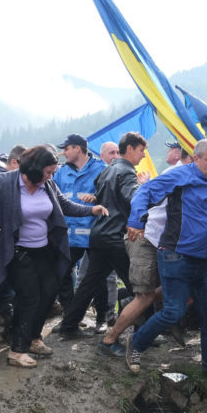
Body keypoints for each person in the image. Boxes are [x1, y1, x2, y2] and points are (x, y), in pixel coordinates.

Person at [0, 145, 106, 367]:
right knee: (29, 296)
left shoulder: (47, 185)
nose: (51, 176)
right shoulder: (5, 182)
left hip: (43, 249)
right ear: (34, 168)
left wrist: (91, 210)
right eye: (48, 172)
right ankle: (17, 351)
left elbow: (63, 205)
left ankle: (33, 338)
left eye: (53, 172)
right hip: (16, 251)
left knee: (48, 292)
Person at [124, 139, 207, 382]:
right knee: (173, 311)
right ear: (195, 159)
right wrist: (136, 220)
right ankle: (136, 343)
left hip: (203, 259)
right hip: (174, 254)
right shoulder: (180, 176)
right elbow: (144, 191)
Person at [56, 132, 147, 339]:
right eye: (141, 151)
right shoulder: (126, 172)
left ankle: (68, 326)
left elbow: (106, 195)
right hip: (115, 238)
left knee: (89, 283)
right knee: (139, 287)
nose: (143, 156)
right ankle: (146, 332)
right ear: (130, 149)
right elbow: (133, 197)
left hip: (99, 234)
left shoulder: (108, 170)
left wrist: (95, 197)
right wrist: (145, 188)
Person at [54, 134, 107, 317]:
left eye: (66, 148)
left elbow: (110, 197)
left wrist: (97, 198)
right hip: (69, 235)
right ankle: (70, 314)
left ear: (78, 148)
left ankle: (102, 317)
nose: (64, 152)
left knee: (98, 277)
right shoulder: (60, 172)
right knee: (62, 273)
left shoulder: (101, 169)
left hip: (94, 233)